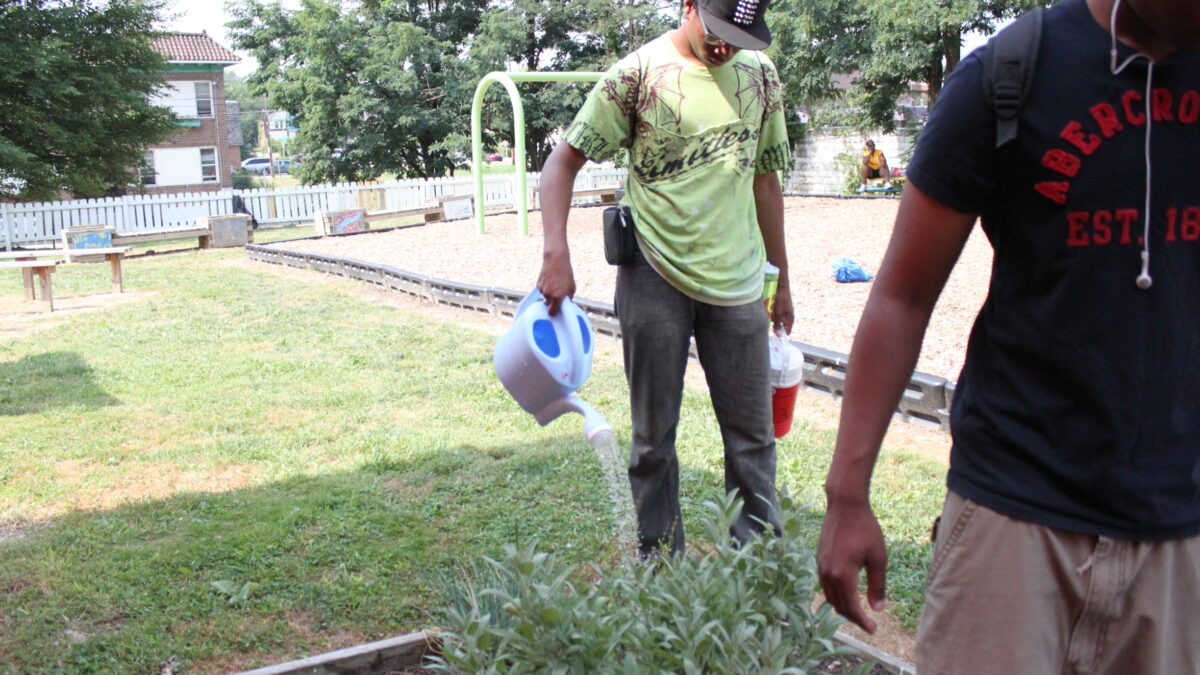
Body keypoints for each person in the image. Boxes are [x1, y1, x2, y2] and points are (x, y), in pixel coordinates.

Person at [817, 0, 1200, 672]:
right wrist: (848, 494)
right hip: (1013, 515)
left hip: (1180, 530)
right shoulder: (1012, 73)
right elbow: (903, 295)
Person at [536, 0, 794, 558]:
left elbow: (766, 183)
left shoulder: (761, 75)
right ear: (688, 6)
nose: (727, 46)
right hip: (654, 275)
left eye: (741, 35)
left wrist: (783, 280)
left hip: (740, 285)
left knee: (753, 441)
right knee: (653, 441)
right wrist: (556, 251)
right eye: (719, 30)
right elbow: (561, 163)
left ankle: (758, 575)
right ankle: (659, 574)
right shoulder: (637, 75)